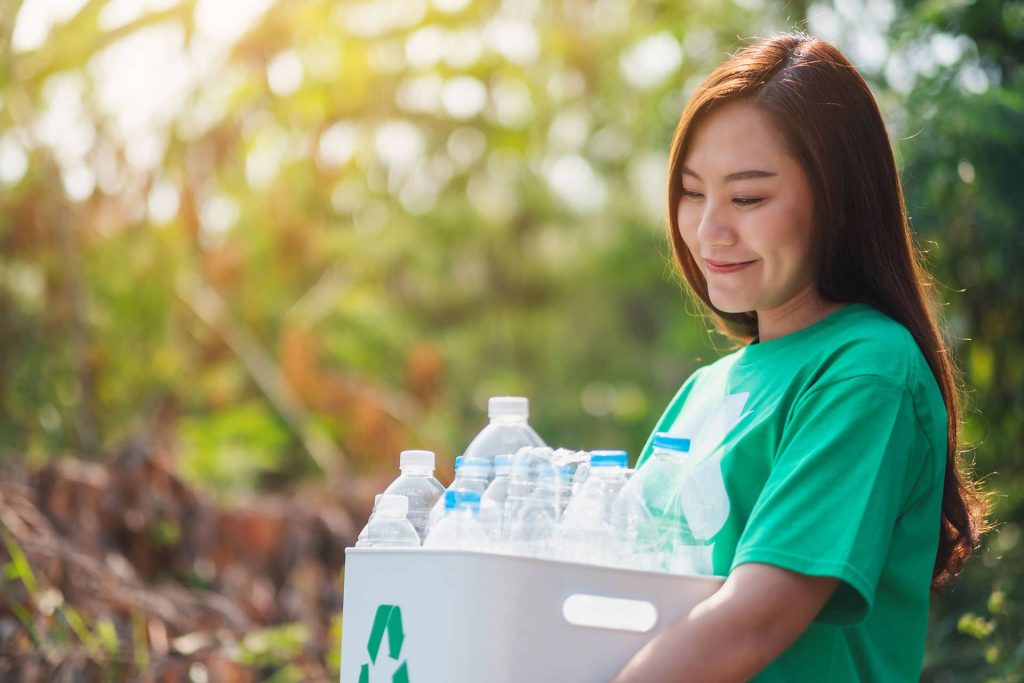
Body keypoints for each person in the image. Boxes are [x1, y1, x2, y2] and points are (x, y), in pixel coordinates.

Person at [610, 33, 988, 682]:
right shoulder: (706, 388)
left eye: (747, 198)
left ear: (837, 201)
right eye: (693, 192)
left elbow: (755, 621)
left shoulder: (866, 370)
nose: (708, 230)